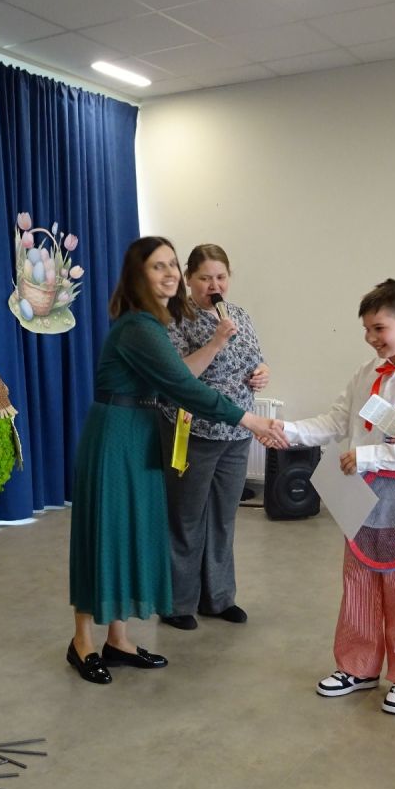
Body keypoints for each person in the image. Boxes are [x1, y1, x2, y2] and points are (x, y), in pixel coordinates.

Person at [67, 236, 286, 684]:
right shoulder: (140, 328)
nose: (169, 273)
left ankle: (118, 640)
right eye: (158, 266)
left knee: (133, 533)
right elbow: (185, 387)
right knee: (106, 534)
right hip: (117, 435)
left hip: (140, 432)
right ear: (138, 275)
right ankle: (82, 642)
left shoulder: (153, 322)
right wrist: (250, 420)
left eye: (171, 264)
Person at [273, 278, 395, 714]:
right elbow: (336, 420)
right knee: (358, 589)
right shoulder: (366, 374)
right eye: (366, 330)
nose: (371, 338)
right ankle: (357, 667)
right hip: (359, 503)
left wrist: (369, 456)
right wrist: (287, 431)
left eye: (379, 329)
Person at [158, 244, 270, 631]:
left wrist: (263, 373)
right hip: (194, 431)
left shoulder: (238, 314)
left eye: (221, 277)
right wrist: (216, 341)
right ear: (189, 279)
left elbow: (255, 358)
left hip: (236, 433)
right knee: (187, 517)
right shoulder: (174, 318)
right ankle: (177, 603)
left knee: (223, 517)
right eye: (205, 278)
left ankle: (219, 598)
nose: (214, 285)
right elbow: (179, 376)